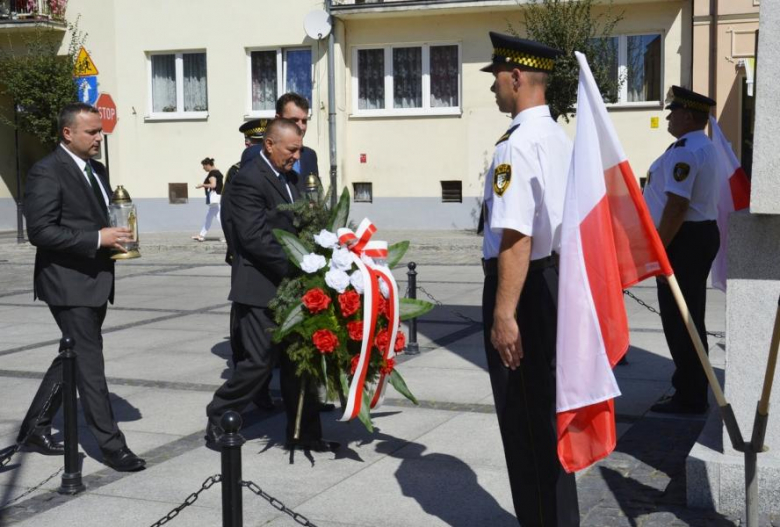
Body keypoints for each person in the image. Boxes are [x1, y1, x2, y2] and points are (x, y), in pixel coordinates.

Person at [479, 32, 579, 526]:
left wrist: (503, 313)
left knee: (524, 422)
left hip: (523, 292)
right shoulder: (558, 137)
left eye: (496, 77)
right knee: (548, 418)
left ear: (516, 76)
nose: (493, 88)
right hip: (551, 284)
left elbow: (516, 237)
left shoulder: (515, 147)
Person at [18, 102, 145, 472]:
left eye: (100, 130)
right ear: (67, 133)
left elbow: (103, 214)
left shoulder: (97, 169)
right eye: (91, 132)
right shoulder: (46, 172)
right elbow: (40, 232)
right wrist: (96, 238)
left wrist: (120, 234)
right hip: (67, 283)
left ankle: (35, 426)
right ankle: (111, 446)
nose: (99, 137)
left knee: (72, 356)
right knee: (90, 362)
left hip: (96, 280)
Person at [205, 118, 336, 453]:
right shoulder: (248, 180)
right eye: (291, 150)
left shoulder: (290, 178)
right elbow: (254, 238)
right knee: (259, 364)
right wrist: (300, 264)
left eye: (299, 149)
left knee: (298, 363)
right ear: (269, 145)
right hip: (261, 287)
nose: (296, 156)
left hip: (292, 286)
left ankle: (304, 433)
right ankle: (219, 416)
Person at [644, 86, 720, 415]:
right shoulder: (702, 146)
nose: (668, 116)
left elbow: (676, 206)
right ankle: (691, 387)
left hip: (683, 239)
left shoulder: (686, 151)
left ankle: (690, 395)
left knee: (681, 319)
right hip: (695, 235)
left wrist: (659, 250)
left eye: (673, 111)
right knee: (689, 316)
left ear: (688, 115)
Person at [275, 92, 319, 182]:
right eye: (294, 120)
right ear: (278, 119)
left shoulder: (309, 156)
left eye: (304, 121)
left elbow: (316, 192)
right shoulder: (261, 155)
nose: (301, 127)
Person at [192, 157, 224, 242]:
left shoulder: (212, 173)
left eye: (204, 166)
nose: (203, 168)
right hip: (218, 197)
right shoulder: (218, 172)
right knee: (209, 217)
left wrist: (202, 185)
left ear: (208, 165)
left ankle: (230, 236)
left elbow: (213, 185)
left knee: (220, 218)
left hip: (215, 198)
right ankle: (201, 235)